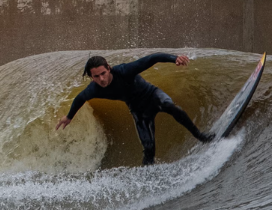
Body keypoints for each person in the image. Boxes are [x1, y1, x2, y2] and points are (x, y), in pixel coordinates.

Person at [56, 53, 214, 165]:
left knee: (169, 106)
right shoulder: (93, 90)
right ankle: (148, 179)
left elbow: (153, 58)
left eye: (103, 73)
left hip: (153, 95)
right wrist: (69, 117)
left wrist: (175, 59)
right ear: (91, 77)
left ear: (109, 68)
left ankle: (201, 136)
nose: (101, 79)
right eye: (96, 76)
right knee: (149, 148)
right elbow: (79, 99)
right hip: (138, 110)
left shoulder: (124, 71)